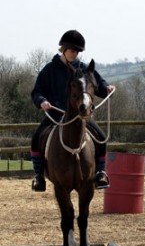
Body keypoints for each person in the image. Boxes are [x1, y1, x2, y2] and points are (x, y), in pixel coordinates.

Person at [31, 29, 115, 192]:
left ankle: (100, 173)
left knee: (102, 138)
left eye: (77, 51)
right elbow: (37, 91)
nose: (75, 54)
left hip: (80, 116)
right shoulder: (49, 70)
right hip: (56, 115)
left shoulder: (83, 69)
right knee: (35, 139)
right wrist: (42, 101)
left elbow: (98, 84)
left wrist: (107, 88)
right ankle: (39, 176)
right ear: (63, 49)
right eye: (72, 50)